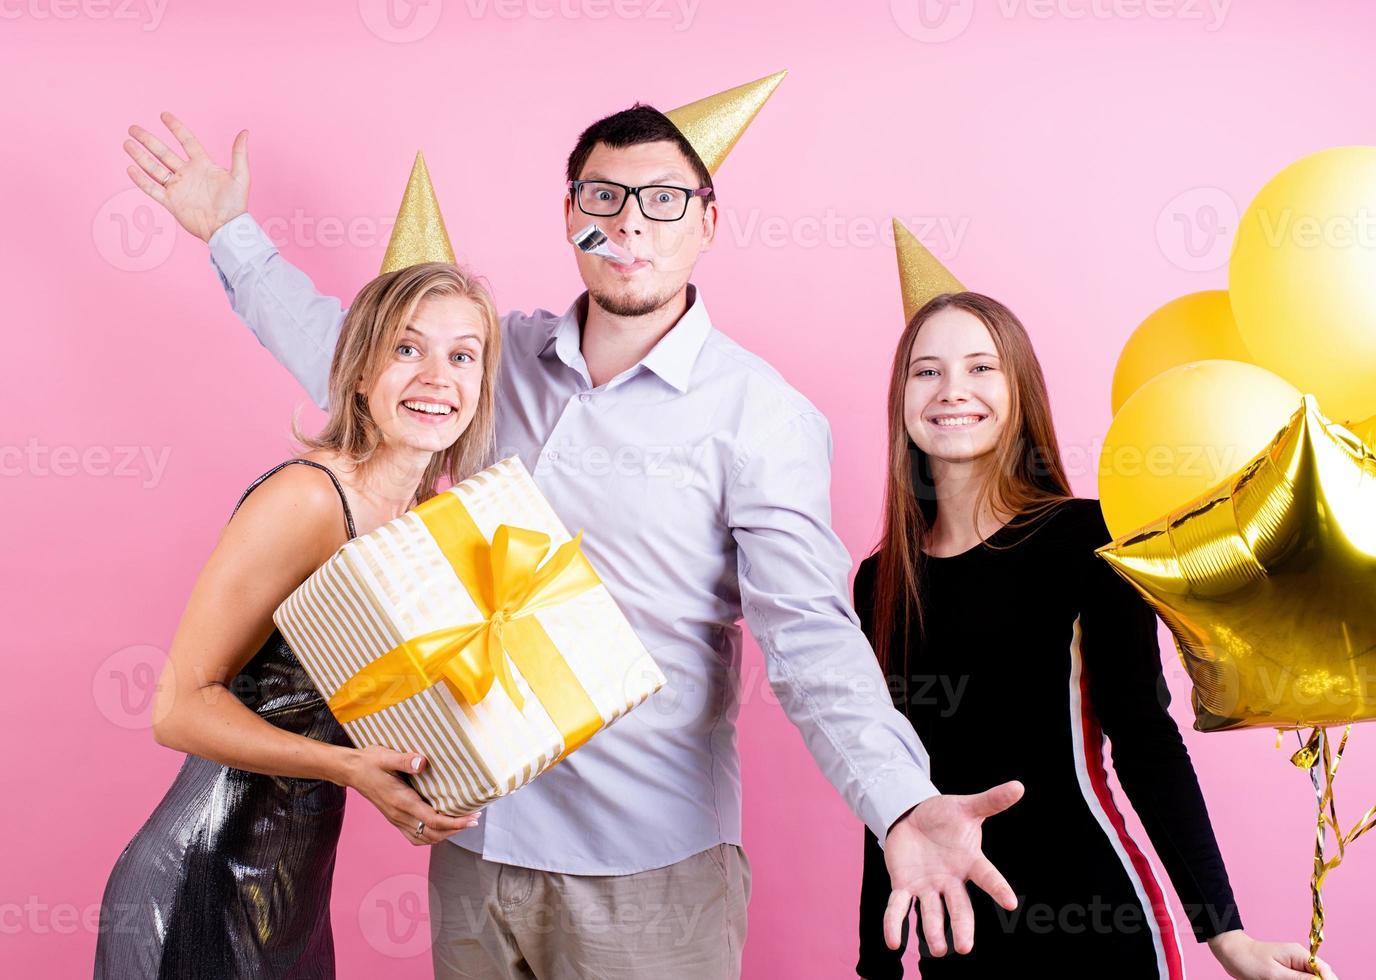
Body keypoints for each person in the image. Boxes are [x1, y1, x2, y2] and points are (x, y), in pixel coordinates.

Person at [120, 90, 1022, 979]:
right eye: (604, 196)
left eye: (663, 200)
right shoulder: (488, 358)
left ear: (706, 223)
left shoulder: (762, 417)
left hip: (647, 875)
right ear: (570, 215)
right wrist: (229, 232)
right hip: (475, 852)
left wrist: (901, 803)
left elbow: (812, 639)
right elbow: (351, 349)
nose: (630, 224)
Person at [853, 288, 1339, 980]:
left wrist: (1227, 934)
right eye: (926, 371)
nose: (952, 390)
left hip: (1095, 924)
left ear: (1020, 389)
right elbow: (882, 778)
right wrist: (877, 964)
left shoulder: (1086, 541)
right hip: (954, 937)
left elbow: (1146, 741)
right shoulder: (881, 580)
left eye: (981, 368)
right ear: (901, 397)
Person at [94, 258, 501, 979]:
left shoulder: (421, 524)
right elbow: (178, 708)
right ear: (359, 374)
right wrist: (351, 770)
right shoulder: (308, 499)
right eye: (408, 348)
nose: (438, 375)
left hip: (293, 895)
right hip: (201, 879)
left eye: (461, 355)